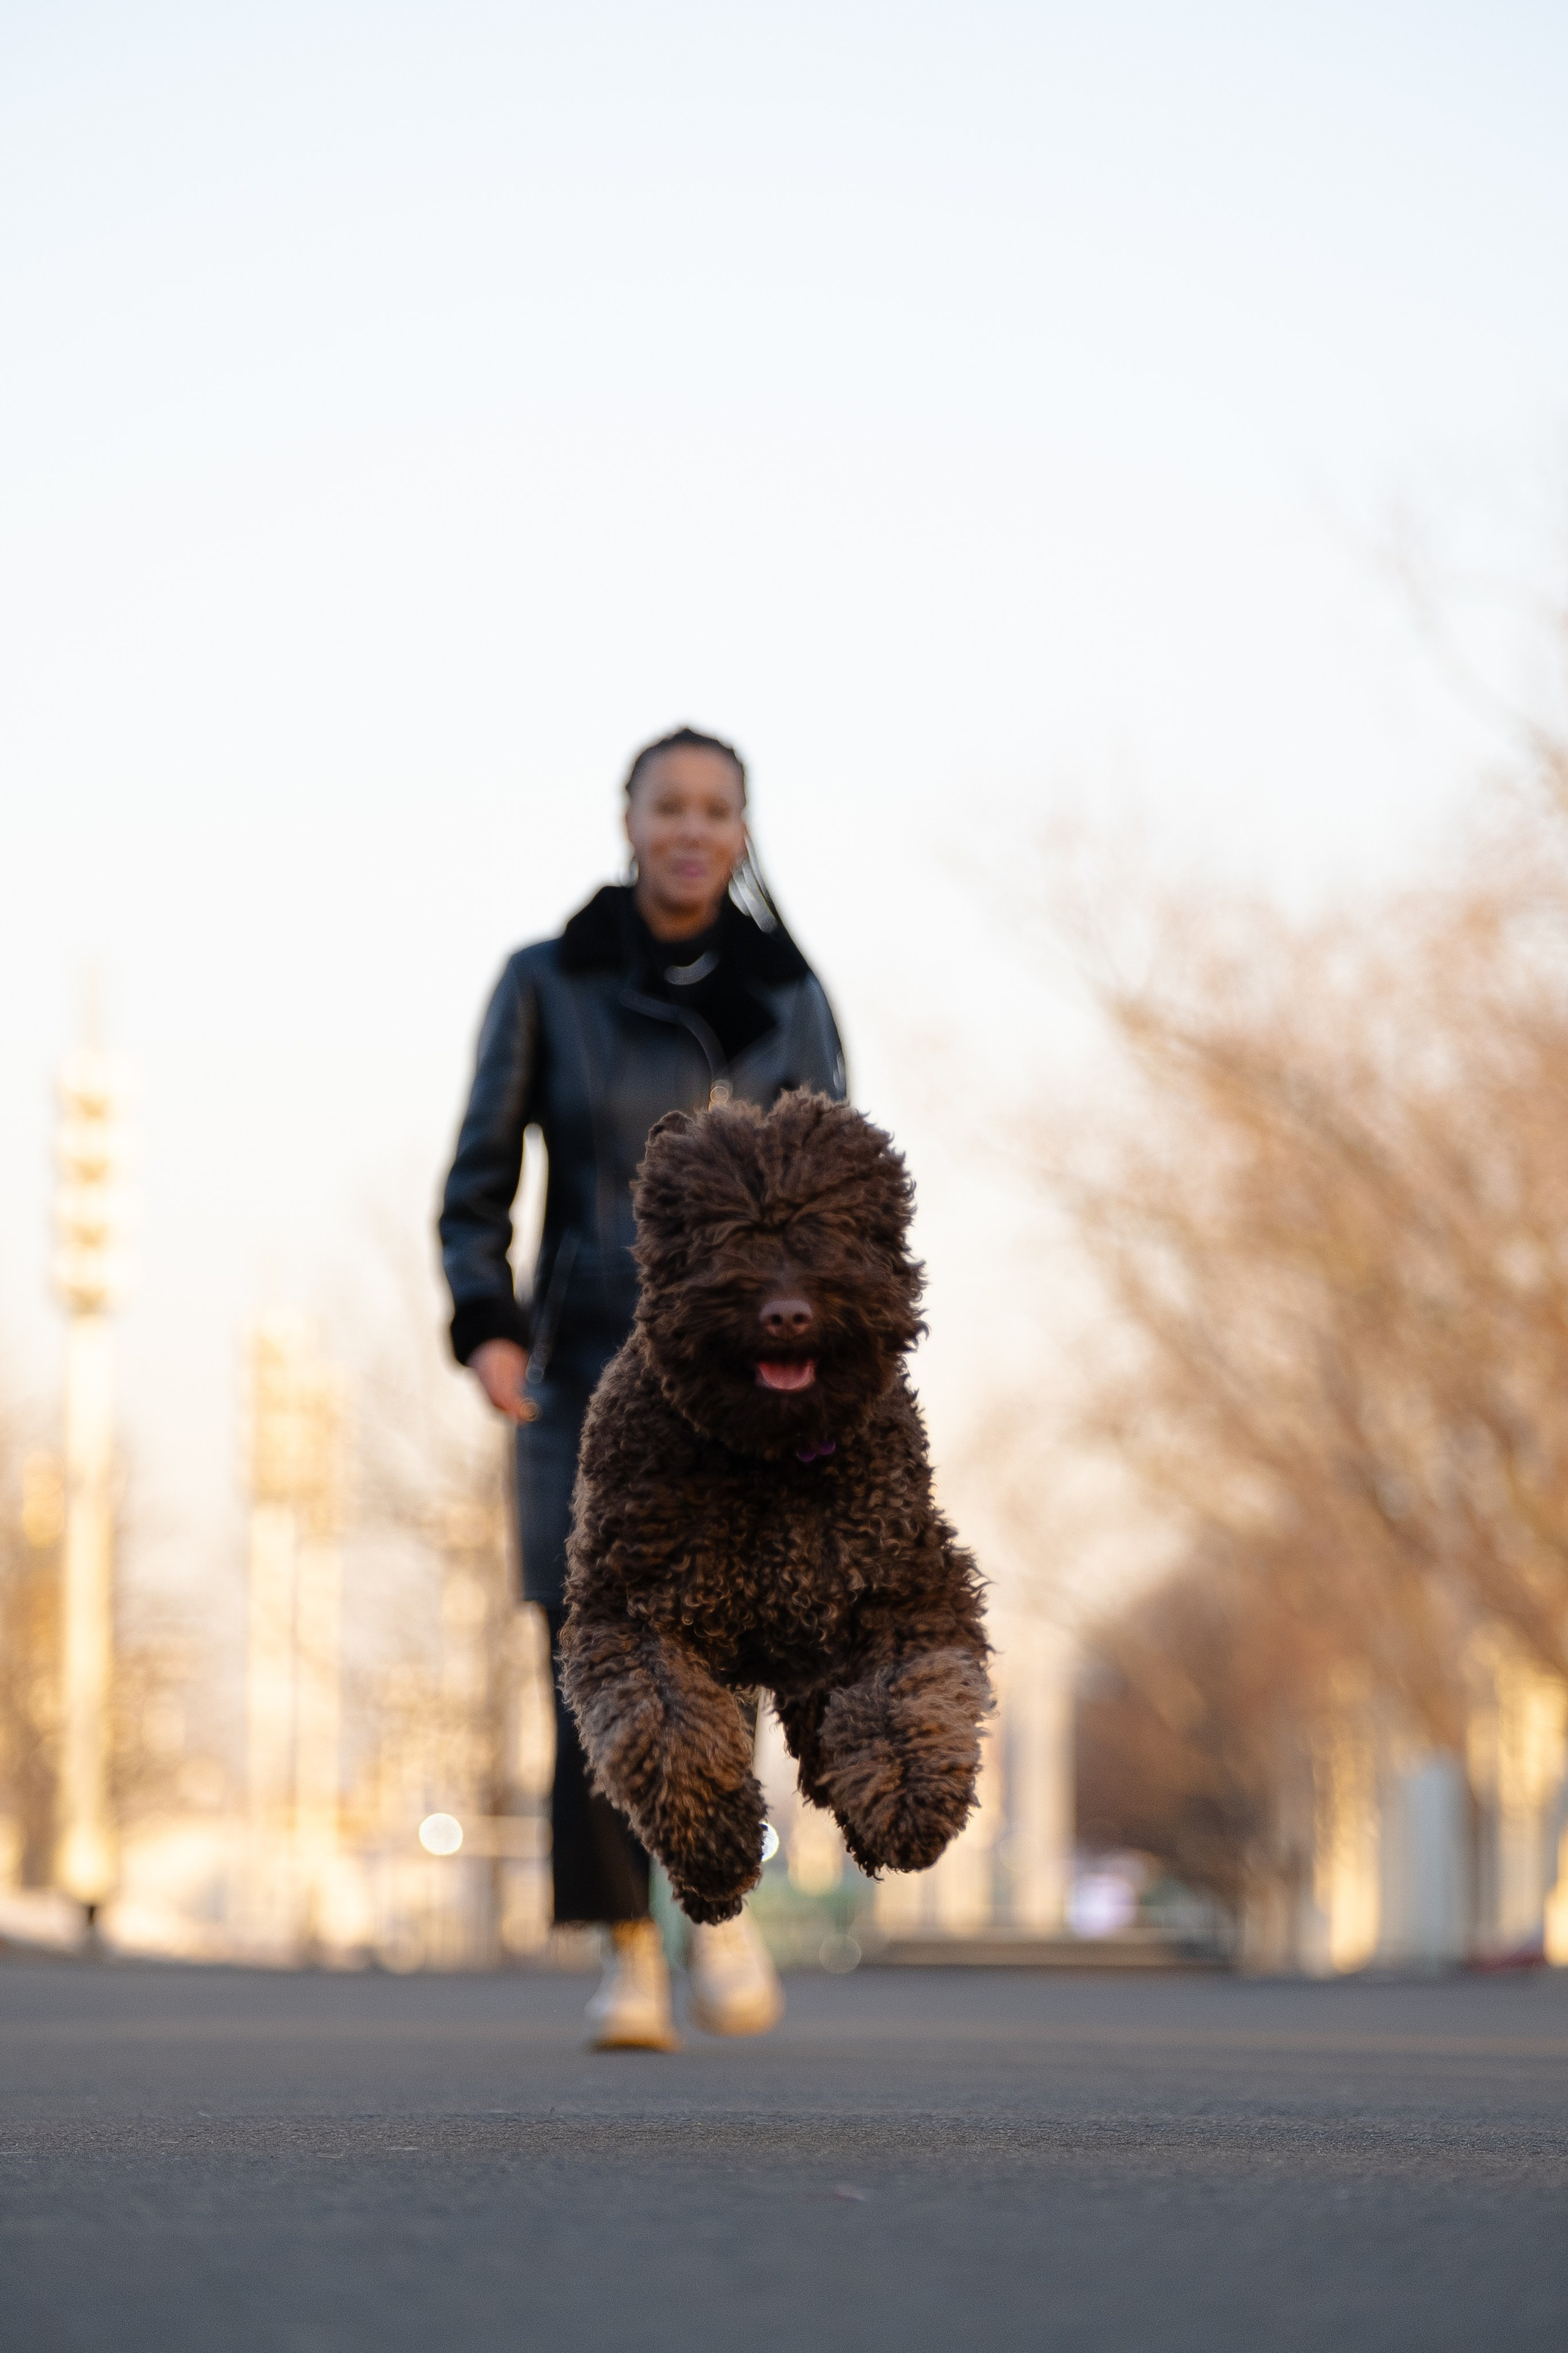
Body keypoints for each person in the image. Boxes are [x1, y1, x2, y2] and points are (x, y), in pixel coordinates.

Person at [439, 726, 847, 2049]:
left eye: (713, 809)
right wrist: (488, 1325)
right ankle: (624, 1951)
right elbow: (479, 1175)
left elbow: (831, 1194)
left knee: (724, 1660)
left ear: (741, 831)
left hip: (739, 1380)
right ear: (627, 822)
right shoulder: (545, 984)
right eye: (665, 805)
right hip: (580, 1373)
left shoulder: (789, 996)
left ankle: (715, 1918)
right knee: (594, 1662)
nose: (688, 828)